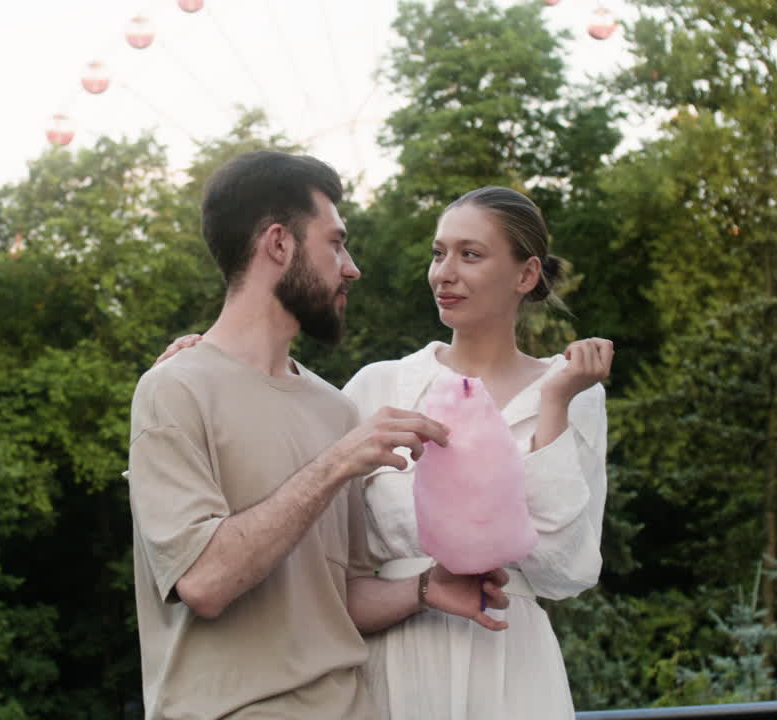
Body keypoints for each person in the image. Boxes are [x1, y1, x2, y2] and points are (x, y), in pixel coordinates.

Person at [161, 185, 612, 719]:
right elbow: (291, 487)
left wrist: (556, 402)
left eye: (469, 254)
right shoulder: (380, 386)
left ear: (526, 274)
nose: (443, 272)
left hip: (509, 663)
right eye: (438, 252)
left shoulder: (573, 392)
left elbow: (566, 569)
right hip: (391, 662)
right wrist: (210, 365)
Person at [127, 151, 511, 720]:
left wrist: (427, 588)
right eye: (335, 243)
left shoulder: (335, 409)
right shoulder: (173, 391)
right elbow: (204, 582)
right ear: (278, 244)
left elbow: (342, 597)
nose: (351, 267)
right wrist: (335, 464)